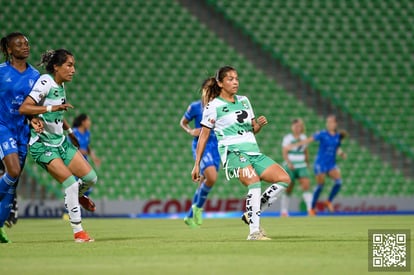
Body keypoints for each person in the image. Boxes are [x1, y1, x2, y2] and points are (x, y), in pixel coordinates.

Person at [191, 66, 291, 240]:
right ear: (220, 83)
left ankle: (252, 212)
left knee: (284, 179)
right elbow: (204, 136)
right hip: (233, 153)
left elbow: (252, 129)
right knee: (253, 182)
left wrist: (258, 125)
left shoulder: (244, 100)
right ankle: (254, 232)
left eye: (236, 78)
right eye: (230, 79)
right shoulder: (213, 106)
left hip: (253, 151)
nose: (235, 81)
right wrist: (196, 163)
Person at [19, 49, 97, 242]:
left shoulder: (61, 87)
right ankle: (78, 231)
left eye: (74, 65)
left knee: (91, 178)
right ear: (56, 67)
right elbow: (25, 107)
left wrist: (70, 133)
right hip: (42, 145)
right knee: (70, 183)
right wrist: (50, 107)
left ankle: (77, 196)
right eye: (69, 65)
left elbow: (57, 116)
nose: (73, 70)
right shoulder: (46, 81)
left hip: (61, 142)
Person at [0, 32, 40, 243]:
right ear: (8, 49)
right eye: (19, 44)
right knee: (12, 170)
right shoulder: (1, 72)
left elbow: (32, 106)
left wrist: (34, 118)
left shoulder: (35, 75)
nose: (25, 47)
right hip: (3, 127)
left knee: (12, 181)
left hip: (22, 131)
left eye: (26, 43)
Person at [286, 115, 347, 215]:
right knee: (320, 185)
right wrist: (295, 145)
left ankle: (328, 201)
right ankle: (312, 208)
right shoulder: (323, 134)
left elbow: (336, 147)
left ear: (335, 124)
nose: (328, 124)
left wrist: (341, 153)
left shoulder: (337, 136)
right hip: (320, 163)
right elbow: (309, 140)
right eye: (327, 122)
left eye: (331, 122)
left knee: (339, 182)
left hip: (331, 164)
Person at [180, 79, 220, 228]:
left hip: (216, 146)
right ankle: (198, 208)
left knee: (206, 180)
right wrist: (191, 131)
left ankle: (191, 214)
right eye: (209, 88)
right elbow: (182, 122)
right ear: (203, 89)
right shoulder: (195, 107)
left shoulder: (219, 106)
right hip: (202, 145)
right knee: (211, 177)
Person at [280, 118, 313, 216]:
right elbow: (284, 152)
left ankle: (310, 209)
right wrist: (289, 163)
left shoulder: (304, 137)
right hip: (291, 165)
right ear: (292, 127)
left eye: (300, 126)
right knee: (289, 188)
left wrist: (307, 161)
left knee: (306, 185)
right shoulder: (287, 138)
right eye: (296, 126)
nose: (298, 128)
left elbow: (305, 151)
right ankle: (284, 211)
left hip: (301, 164)